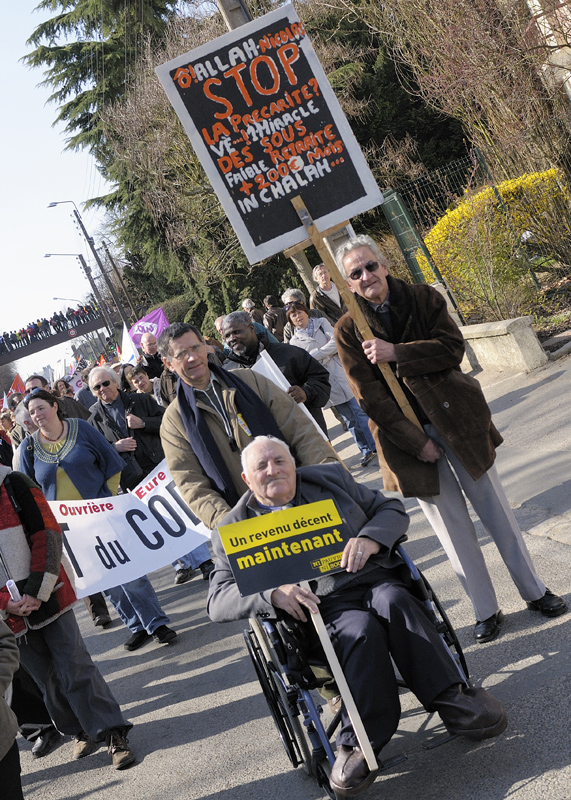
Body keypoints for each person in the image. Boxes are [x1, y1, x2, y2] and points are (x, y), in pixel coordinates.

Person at [207, 436, 507, 796]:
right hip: (321, 609)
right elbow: (218, 600)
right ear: (246, 478)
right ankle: (359, 741)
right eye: (262, 466)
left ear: (293, 463)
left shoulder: (330, 479)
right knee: (360, 628)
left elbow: (392, 510)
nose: (273, 470)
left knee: (395, 600)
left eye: (280, 461)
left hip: (373, 579)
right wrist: (272, 593)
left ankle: (452, 696)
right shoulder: (231, 529)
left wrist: (370, 538)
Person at [334, 234, 567, 642]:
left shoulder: (424, 298)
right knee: (453, 531)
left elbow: (452, 348)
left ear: (385, 265)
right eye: (356, 273)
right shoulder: (349, 330)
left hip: (458, 421)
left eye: (371, 266)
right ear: (348, 284)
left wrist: (397, 353)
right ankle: (485, 611)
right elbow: (368, 397)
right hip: (409, 443)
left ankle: (535, 591)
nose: (367, 276)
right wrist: (414, 442)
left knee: (498, 514)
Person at [0, 465, 136, 769]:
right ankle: (80, 729)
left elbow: (48, 534)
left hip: (48, 595)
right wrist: (4, 603)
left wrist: (37, 589)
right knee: (46, 681)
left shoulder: (14, 483)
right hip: (10, 615)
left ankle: (113, 732)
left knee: (76, 666)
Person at [21, 389, 177, 652]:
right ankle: (136, 626)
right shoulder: (29, 447)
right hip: (72, 529)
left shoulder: (81, 428)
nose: (37, 415)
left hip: (104, 515)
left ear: (55, 406)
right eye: (32, 411)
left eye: (41, 408)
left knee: (130, 571)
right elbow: (30, 492)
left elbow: (111, 461)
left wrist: (108, 500)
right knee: (105, 580)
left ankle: (156, 623)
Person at [158, 322, 338, 530]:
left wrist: (327, 479)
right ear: (168, 363)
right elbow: (191, 483)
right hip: (249, 528)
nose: (192, 357)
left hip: (303, 503)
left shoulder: (250, 381)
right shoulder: (174, 421)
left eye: (196, 347)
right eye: (181, 354)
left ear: (205, 347)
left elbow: (302, 432)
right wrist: (230, 525)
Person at [87, 365, 214, 585]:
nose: (102, 389)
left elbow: (168, 421)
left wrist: (143, 423)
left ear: (115, 382)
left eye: (106, 383)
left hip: (156, 467)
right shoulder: (93, 420)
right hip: (130, 476)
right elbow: (94, 453)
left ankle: (204, 562)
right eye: (97, 387)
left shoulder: (141, 401)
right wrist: (114, 448)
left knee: (179, 512)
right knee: (156, 521)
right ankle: (180, 565)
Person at [287, 302, 376, 468]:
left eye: (300, 312)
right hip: (325, 382)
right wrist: (325, 354)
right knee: (349, 419)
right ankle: (365, 449)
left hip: (341, 371)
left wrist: (317, 355)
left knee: (360, 410)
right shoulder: (294, 342)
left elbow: (336, 342)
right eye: (294, 315)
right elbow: (304, 363)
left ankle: (376, 445)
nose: (298, 317)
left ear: (306, 312)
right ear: (291, 320)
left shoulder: (322, 323)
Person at [222, 311, 331, 433]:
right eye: (227, 336)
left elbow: (320, 377)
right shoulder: (228, 373)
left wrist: (306, 392)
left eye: (236, 332)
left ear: (251, 328)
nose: (232, 338)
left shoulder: (288, 353)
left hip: (308, 433)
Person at [24, 374, 90, 421]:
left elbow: (89, 421)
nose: (31, 393)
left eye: (35, 389)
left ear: (47, 388)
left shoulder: (68, 403)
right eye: (27, 391)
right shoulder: (32, 418)